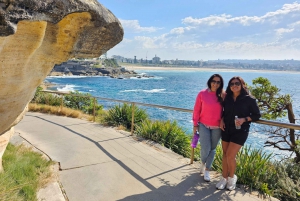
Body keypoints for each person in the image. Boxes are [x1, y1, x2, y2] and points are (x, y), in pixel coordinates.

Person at [216, 76, 261, 190]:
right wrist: (221, 120)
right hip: (226, 129)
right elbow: (223, 111)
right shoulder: (227, 98)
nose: (234, 86)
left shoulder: (249, 99)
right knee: (225, 155)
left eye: (237, 83)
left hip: (241, 131)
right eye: (232, 84)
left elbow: (257, 115)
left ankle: (232, 178)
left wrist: (244, 119)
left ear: (242, 85)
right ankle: (224, 178)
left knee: (230, 156)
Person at [193, 74, 225, 182]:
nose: (215, 84)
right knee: (205, 148)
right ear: (210, 81)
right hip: (203, 125)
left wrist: (223, 119)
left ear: (221, 84)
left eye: (218, 82)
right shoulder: (202, 94)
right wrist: (195, 124)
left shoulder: (223, 95)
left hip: (217, 127)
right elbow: (197, 109)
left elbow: (229, 110)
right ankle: (202, 162)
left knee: (212, 149)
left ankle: (207, 169)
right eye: (214, 81)